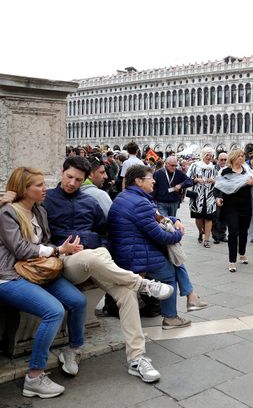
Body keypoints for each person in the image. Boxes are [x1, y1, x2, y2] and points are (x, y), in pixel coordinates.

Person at [43, 156, 175, 382]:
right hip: (67, 259)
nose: (73, 183)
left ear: (85, 180)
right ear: (62, 173)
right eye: (69, 177)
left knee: (126, 294)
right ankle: (141, 282)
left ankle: (137, 358)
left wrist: (100, 245)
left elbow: (105, 233)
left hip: (97, 256)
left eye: (78, 179)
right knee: (92, 259)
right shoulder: (46, 200)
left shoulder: (90, 202)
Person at [0, 168, 86, 398]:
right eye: (38, 185)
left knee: (78, 300)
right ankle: (34, 377)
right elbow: (20, 249)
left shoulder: (39, 210)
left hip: (37, 272)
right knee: (54, 311)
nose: (45, 188)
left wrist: (66, 249)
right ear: (23, 189)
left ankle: (73, 350)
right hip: (10, 276)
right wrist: (58, 250)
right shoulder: (7, 213)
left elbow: (44, 241)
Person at [109, 165, 206, 330]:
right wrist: (178, 235)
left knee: (174, 259)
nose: (154, 180)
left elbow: (155, 217)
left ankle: (191, 298)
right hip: (135, 255)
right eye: (150, 178)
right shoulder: (140, 202)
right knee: (170, 272)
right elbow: (160, 236)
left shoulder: (128, 196)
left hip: (130, 250)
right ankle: (172, 316)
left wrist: (174, 220)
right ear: (139, 181)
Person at [214, 148, 253, 272]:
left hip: (246, 205)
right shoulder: (225, 172)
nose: (241, 158)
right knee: (233, 232)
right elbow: (217, 187)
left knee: (244, 231)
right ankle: (232, 261)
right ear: (233, 157)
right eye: (239, 156)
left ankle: (242, 252)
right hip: (231, 206)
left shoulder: (247, 171)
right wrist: (217, 198)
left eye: (242, 156)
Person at [186, 147, 217, 247]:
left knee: (209, 218)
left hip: (210, 196)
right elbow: (187, 178)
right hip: (197, 196)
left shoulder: (214, 168)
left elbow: (219, 181)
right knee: (198, 217)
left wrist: (214, 181)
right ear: (203, 155)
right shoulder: (195, 165)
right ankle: (200, 231)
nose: (209, 157)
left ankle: (207, 239)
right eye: (207, 155)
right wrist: (196, 180)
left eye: (211, 155)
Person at [211, 152, 229, 243]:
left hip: (226, 194)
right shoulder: (213, 169)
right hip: (216, 193)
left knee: (224, 216)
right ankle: (216, 236)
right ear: (218, 160)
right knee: (216, 216)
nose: (223, 161)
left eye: (225, 159)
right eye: (221, 159)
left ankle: (223, 234)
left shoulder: (229, 169)